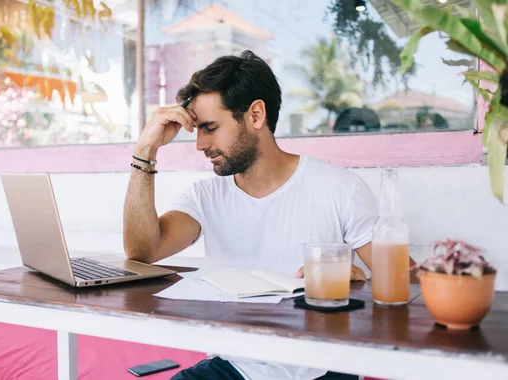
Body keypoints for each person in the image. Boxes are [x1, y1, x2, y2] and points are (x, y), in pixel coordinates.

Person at [123, 50, 377, 380]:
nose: (200, 144)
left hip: (324, 368)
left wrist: (363, 282)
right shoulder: (205, 196)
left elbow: (405, 285)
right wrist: (146, 151)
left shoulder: (341, 188)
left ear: (255, 115)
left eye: (211, 127)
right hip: (234, 368)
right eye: (197, 129)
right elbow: (142, 251)